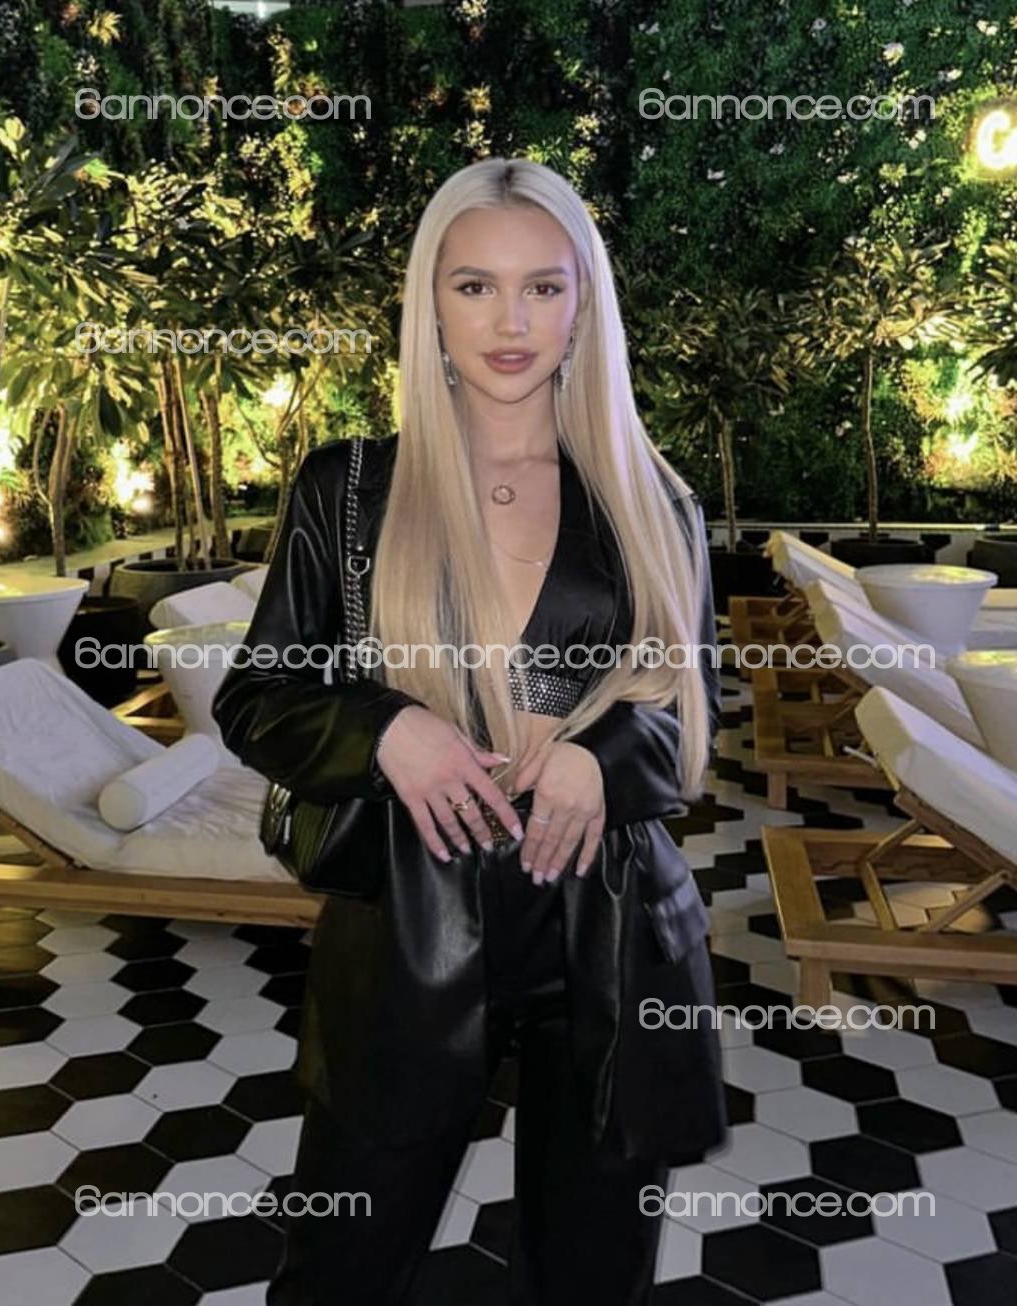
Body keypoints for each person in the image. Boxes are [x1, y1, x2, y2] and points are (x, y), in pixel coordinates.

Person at [212, 156, 727, 1306]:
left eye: (543, 286)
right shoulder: (350, 490)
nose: (511, 321)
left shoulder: (654, 501)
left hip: (608, 931)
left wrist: (600, 760)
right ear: (430, 304)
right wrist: (386, 729)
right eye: (475, 286)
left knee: (593, 1279)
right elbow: (258, 695)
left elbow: (689, 716)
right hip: (409, 922)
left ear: (583, 303)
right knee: (340, 1270)